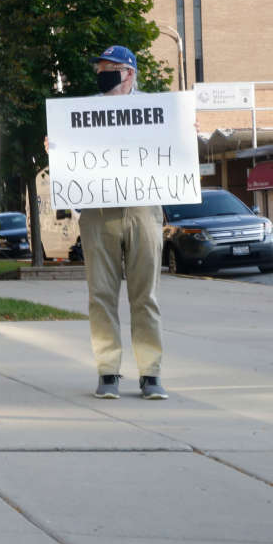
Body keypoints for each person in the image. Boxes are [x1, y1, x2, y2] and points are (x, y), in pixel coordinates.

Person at [79, 45, 168, 400]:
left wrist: (184, 132)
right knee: (101, 294)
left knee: (145, 295)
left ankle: (150, 373)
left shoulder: (158, 111)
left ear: (128, 72)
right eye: (99, 67)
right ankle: (108, 371)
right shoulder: (82, 113)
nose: (101, 72)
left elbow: (174, 152)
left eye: (108, 67)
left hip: (144, 209)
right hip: (98, 212)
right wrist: (56, 145)